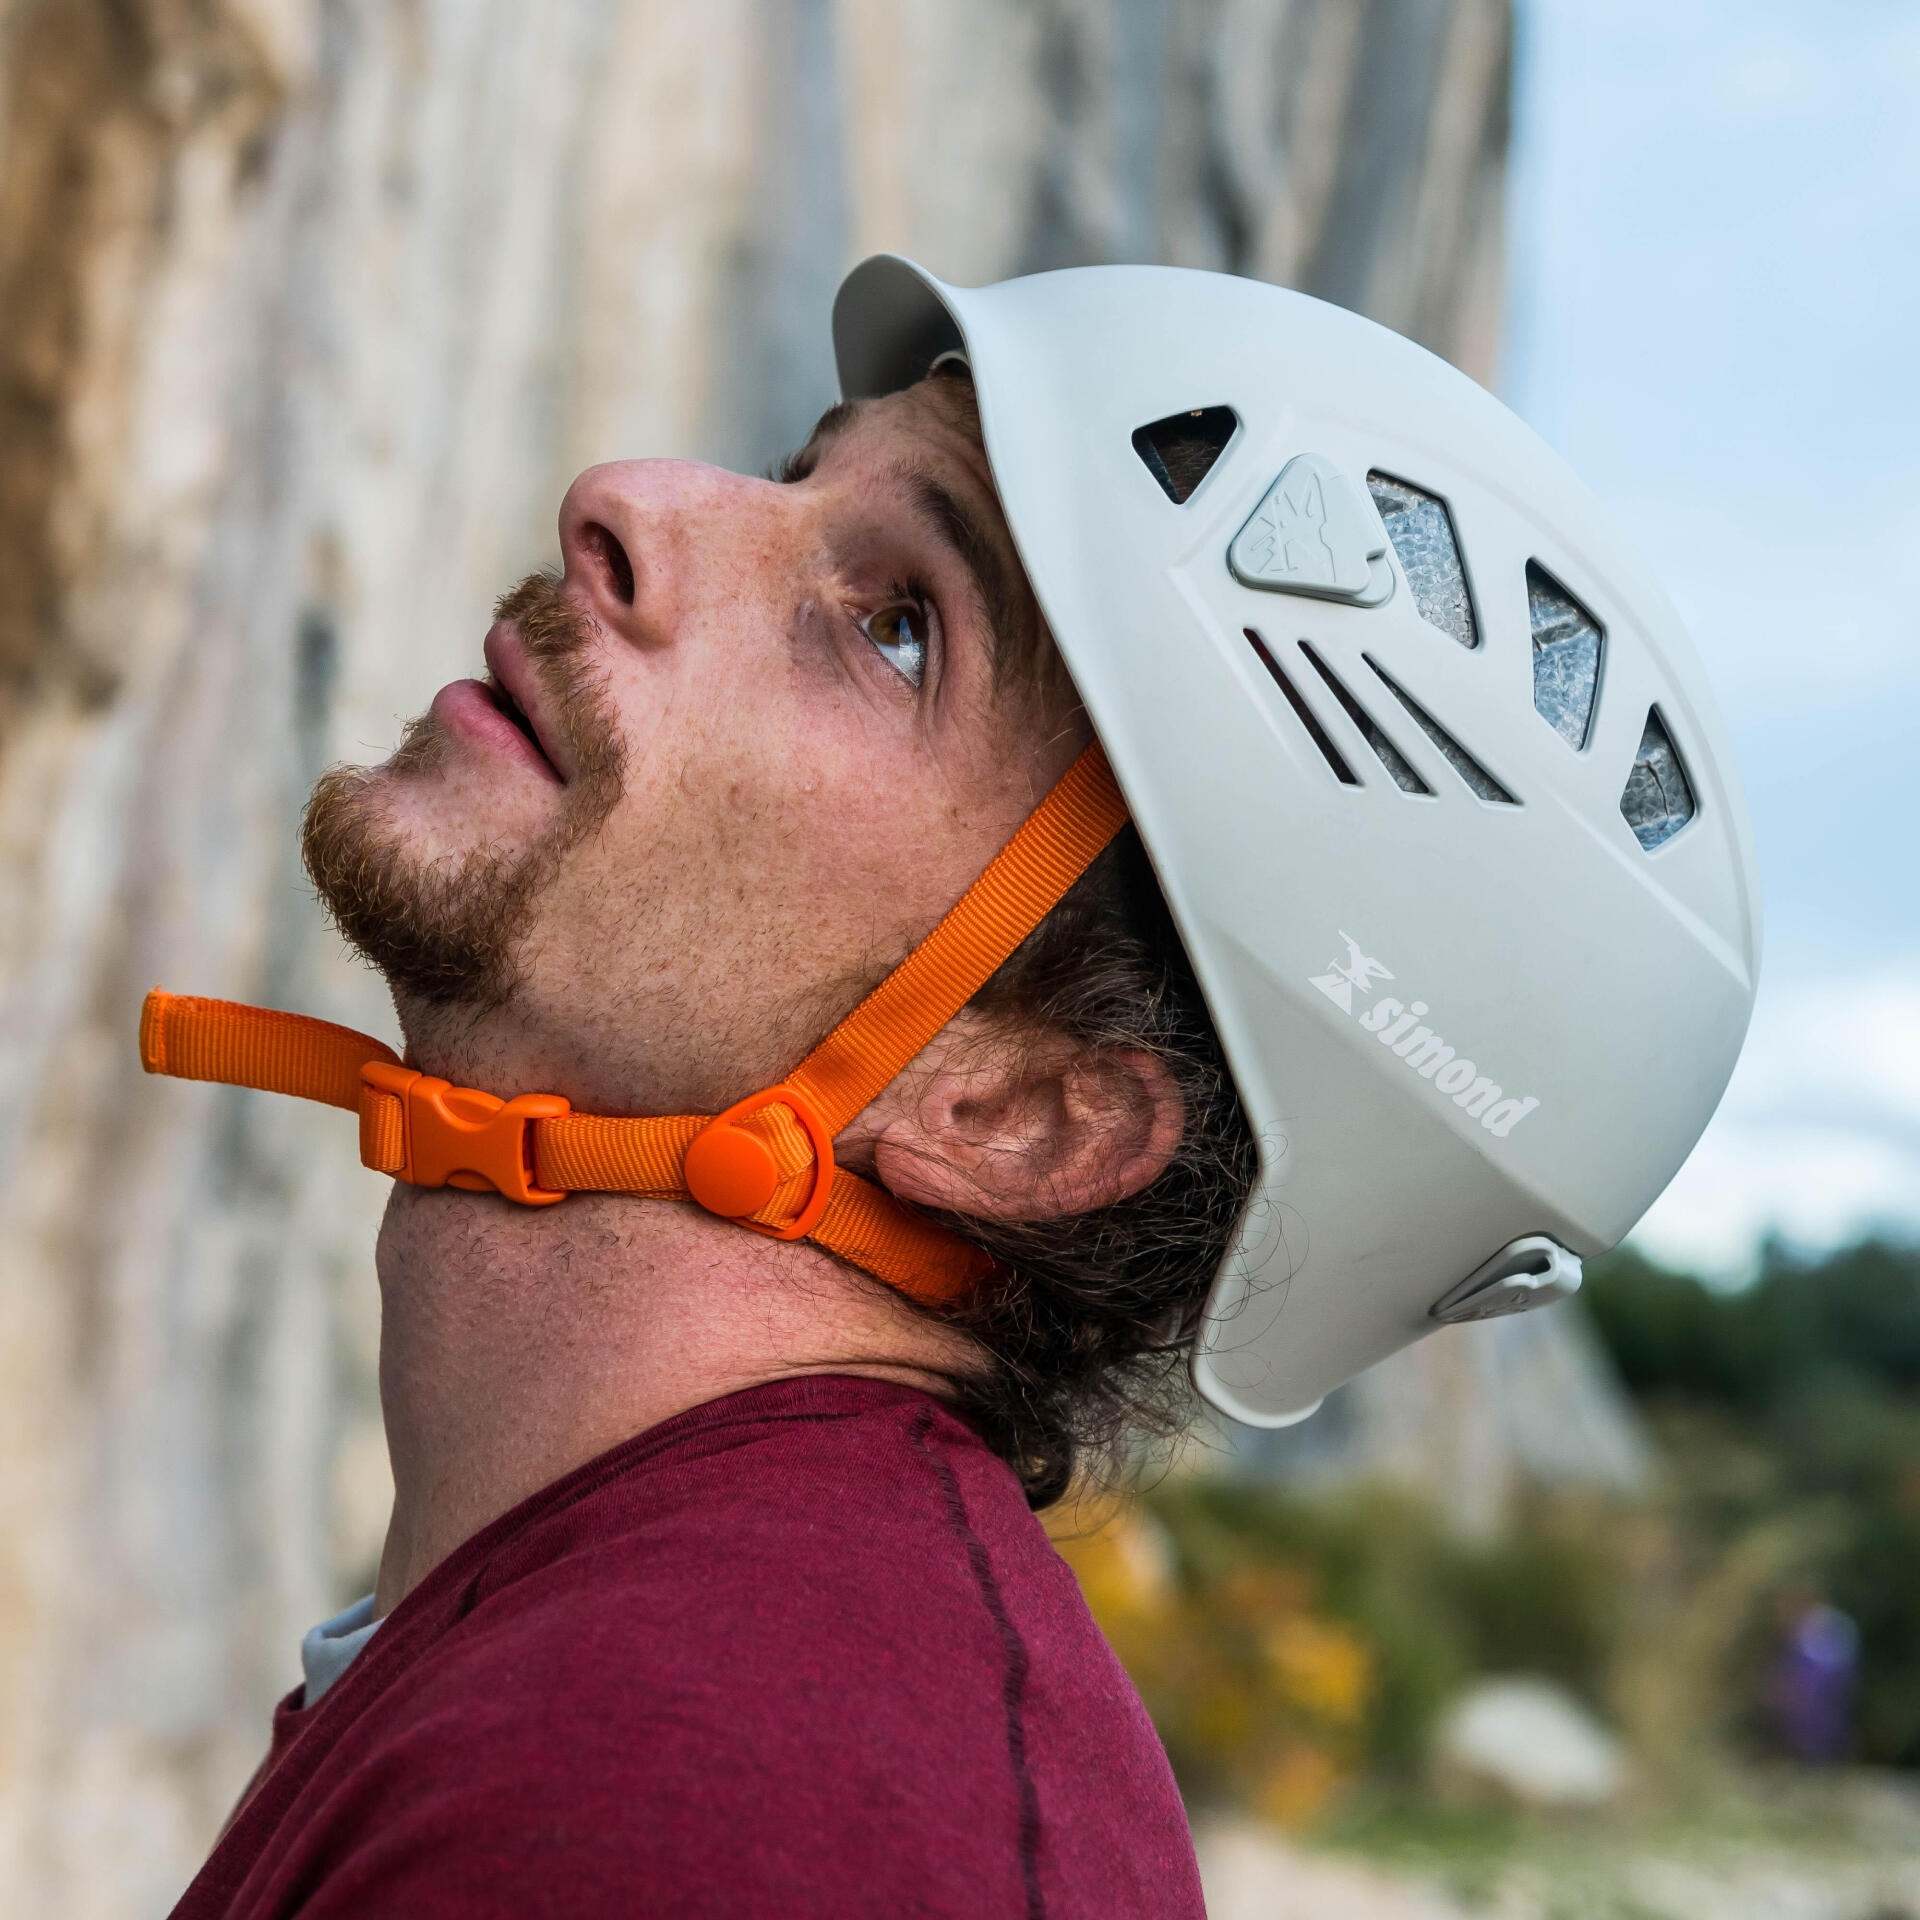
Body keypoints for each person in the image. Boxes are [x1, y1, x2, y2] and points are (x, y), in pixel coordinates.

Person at [148, 257, 1760, 1917]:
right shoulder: (639, 1688)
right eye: (798, 474)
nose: (625, 499)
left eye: (900, 628)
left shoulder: (723, 1815)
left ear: (1020, 1116)